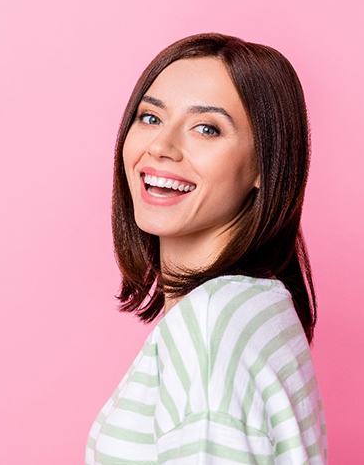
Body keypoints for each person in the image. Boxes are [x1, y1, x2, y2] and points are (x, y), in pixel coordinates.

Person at [84, 32, 328, 464]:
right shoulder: (256, 306)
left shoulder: (212, 328)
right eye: (151, 118)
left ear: (263, 165)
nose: (160, 147)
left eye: (206, 128)